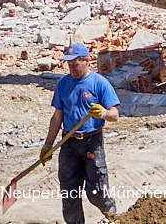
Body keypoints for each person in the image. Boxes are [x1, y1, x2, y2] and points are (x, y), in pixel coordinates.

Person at [42, 43, 120, 224]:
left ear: (86, 61)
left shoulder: (99, 83)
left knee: (97, 192)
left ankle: (113, 219)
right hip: (69, 143)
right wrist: (48, 145)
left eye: (75, 64)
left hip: (92, 142)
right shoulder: (63, 84)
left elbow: (115, 115)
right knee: (69, 195)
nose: (71, 68)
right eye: (69, 64)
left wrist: (104, 113)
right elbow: (56, 118)